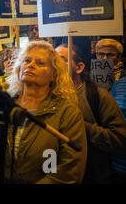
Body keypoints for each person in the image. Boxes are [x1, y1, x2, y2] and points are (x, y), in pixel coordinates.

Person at [0, 41, 87, 184]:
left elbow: (69, 169)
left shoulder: (67, 113)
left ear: (54, 74)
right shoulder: (0, 107)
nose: (31, 65)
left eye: (40, 63)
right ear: (19, 68)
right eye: (27, 60)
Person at [56, 44, 126, 183]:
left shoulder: (98, 95)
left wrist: (80, 126)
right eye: (52, 59)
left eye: (61, 59)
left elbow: (119, 139)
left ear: (79, 67)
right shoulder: (48, 97)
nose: (54, 64)